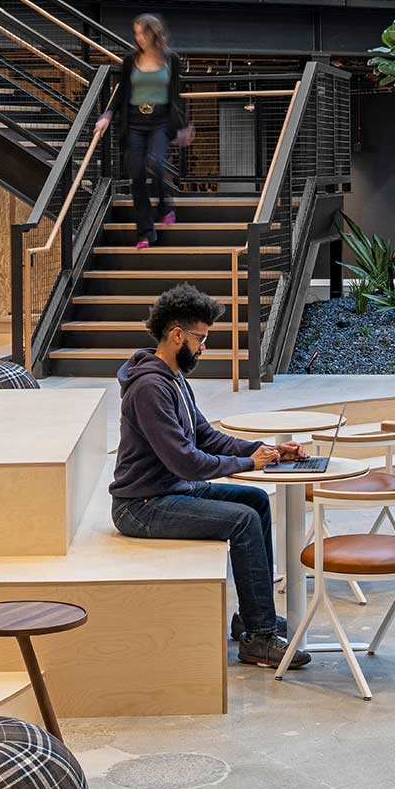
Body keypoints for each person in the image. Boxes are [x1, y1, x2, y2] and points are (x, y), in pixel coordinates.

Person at [108, 284, 313, 670]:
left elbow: (205, 436)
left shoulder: (172, 378)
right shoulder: (150, 387)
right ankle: (259, 637)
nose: (204, 347)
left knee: (254, 501)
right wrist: (249, 464)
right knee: (242, 519)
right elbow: (187, 461)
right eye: (200, 339)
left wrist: (264, 450)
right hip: (142, 505)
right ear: (177, 335)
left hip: (168, 490)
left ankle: (254, 615)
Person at [93, 14, 190, 249]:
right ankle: (145, 233)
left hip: (160, 122)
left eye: (142, 33)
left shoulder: (171, 60)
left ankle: (165, 206)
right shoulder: (130, 60)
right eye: (136, 34)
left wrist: (183, 126)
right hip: (134, 122)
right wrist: (107, 115)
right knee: (136, 176)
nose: (139, 38)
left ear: (153, 34)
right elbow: (122, 93)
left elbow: (176, 96)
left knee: (156, 164)